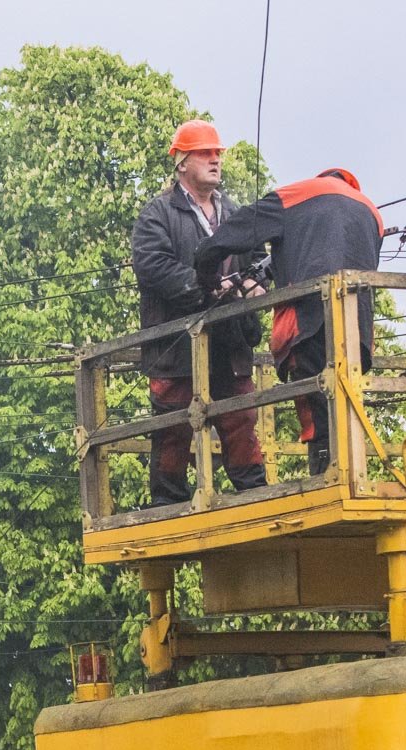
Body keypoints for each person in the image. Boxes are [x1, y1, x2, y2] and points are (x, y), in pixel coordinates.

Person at [194, 168, 383, 475]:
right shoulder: (371, 212)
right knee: (347, 410)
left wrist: (206, 268)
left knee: (317, 411)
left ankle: (325, 479)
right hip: (358, 329)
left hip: (308, 324)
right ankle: (350, 478)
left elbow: (236, 231)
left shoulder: (298, 194)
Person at [130, 120, 267, 506]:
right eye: (205, 153)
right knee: (174, 425)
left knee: (240, 418)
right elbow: (153, 265)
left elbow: (257, 257)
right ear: (182, 162)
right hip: (176, 346)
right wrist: (205, 286)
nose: (215, 160)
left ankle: (253, 493)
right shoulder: (157, 214)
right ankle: (167, 503)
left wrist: (255, 283)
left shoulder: (237, 214)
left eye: (217, 153)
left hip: (230, 341)